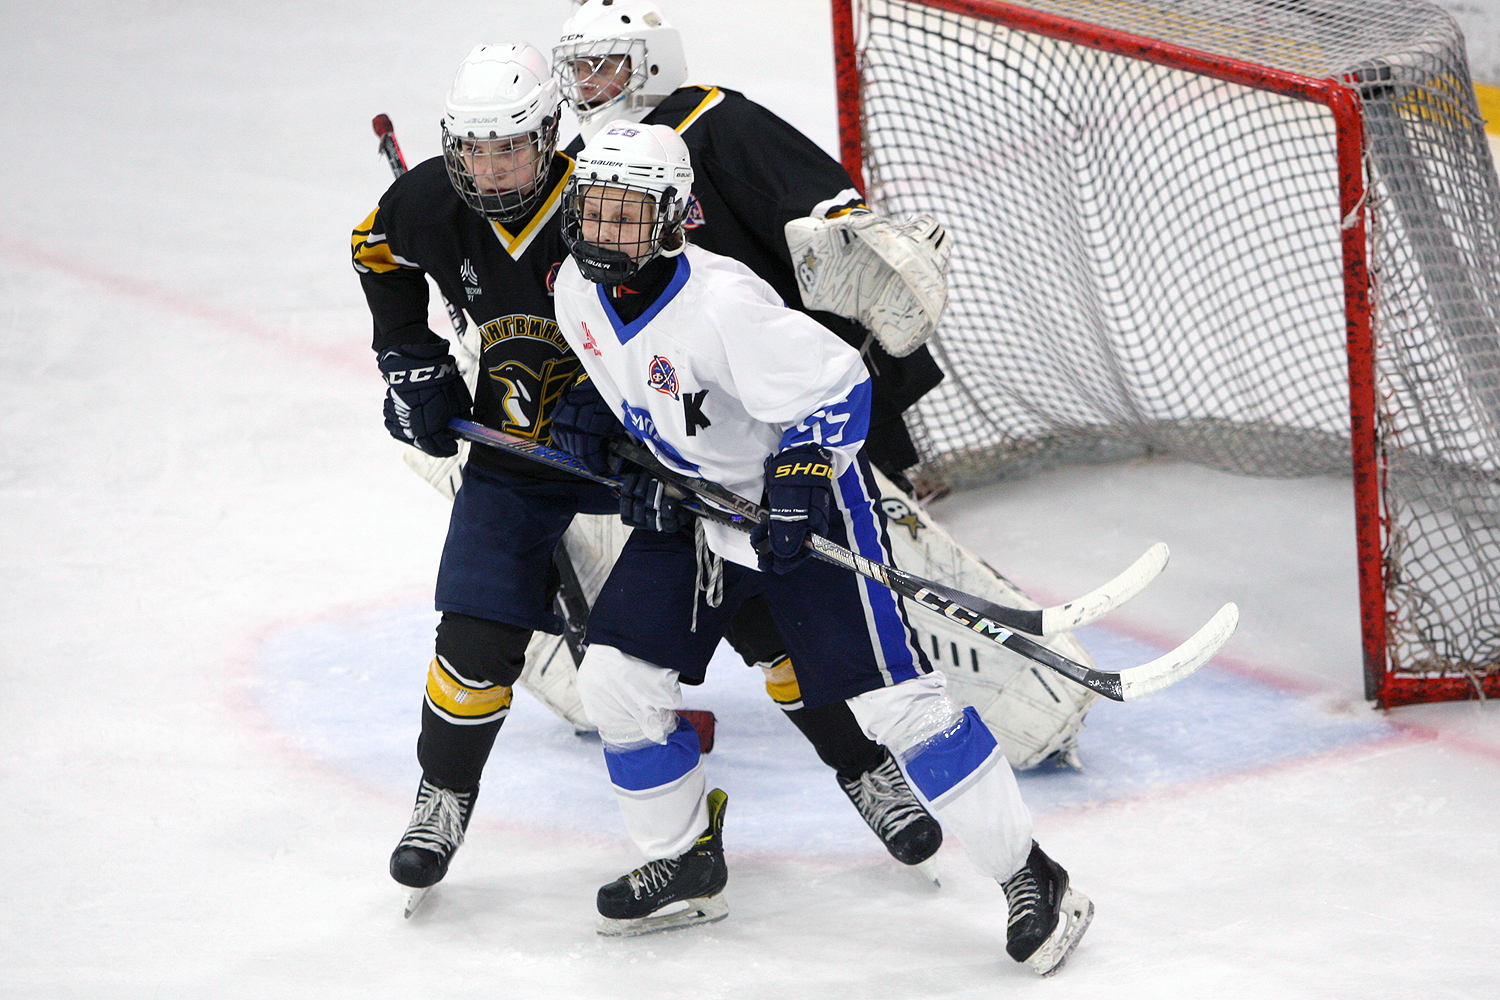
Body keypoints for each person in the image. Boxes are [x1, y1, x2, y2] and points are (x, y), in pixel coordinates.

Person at [350, 42, 938, 915]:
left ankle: (864, 767)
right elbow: (375, 251)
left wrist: (662, 444)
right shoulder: (433, 198)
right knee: (474, 636)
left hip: (653, 454)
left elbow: (694, 301)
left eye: (510, 147)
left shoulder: (606, 198)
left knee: (770, 621)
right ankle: (444, 795)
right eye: (473, 149)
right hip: (519, 458)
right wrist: (409, 358)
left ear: (551, 133)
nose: (491, 168)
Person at [549, 120, 1093, 975]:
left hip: (806, 514)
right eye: (594, 211)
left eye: (627, 216)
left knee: (897, 708)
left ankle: (1036, 877)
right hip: (699, 509)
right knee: (613, 680)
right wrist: (616, 447)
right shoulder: (573, 291)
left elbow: (843, 385)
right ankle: (687, 861)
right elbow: (637, 388)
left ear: (674, 218)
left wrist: (801, 472)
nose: (603, 234)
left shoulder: (724, 302)